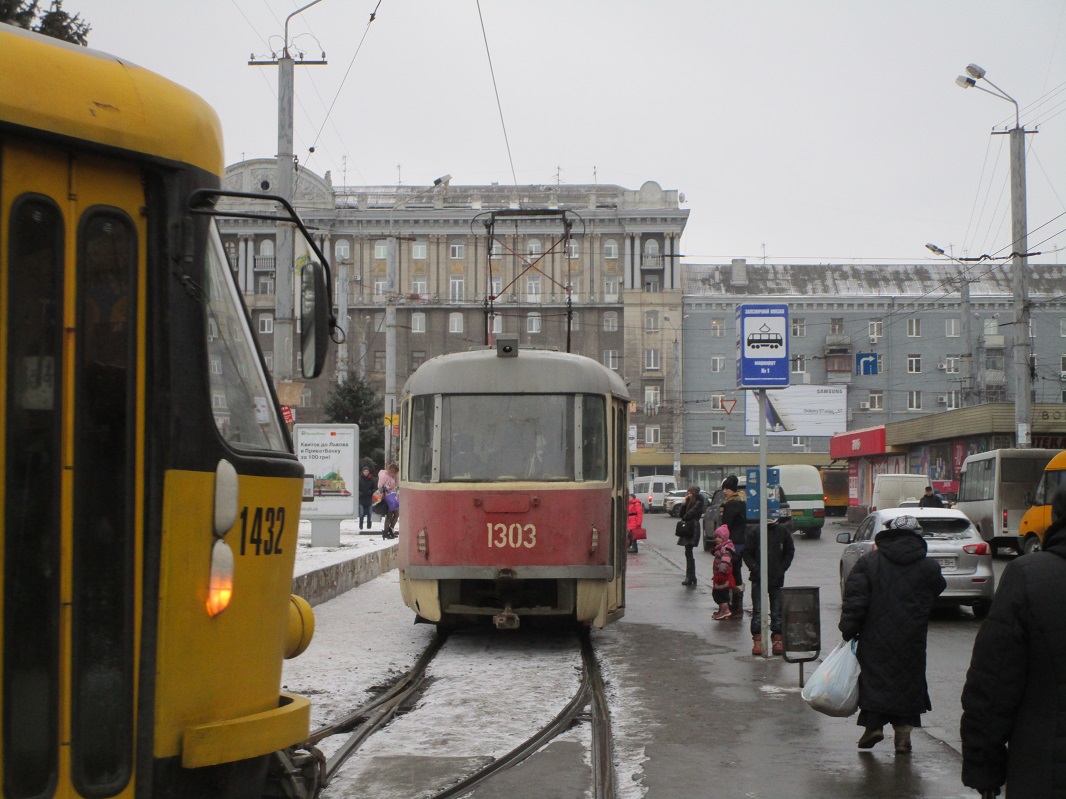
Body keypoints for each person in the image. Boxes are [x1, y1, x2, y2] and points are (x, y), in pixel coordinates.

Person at [960, 487, 1066, 797]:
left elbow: (993, 684)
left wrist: (984, 768)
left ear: (1056, 518)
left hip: (1045, 774)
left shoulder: (1030, 577)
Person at [839, 515, 946, 753]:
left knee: (875, 679)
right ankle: (903, 736)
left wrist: (848, 629)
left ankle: (874, 727)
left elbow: (855, 599)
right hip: (912, 638)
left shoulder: (869, 562)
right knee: (907, 682)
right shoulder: (929, 566)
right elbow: (938, 587)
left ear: (887, 534)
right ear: (918, 537)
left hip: (874, 635)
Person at [743, 507, 795, 655]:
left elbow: (789, 551)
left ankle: (778, 639)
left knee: (777, 610)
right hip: (758, 578)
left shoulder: (782, 532)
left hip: (776, 578)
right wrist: (755, 569)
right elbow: (747, 553)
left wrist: (782, 569)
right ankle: (758, 640)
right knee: (758, 610)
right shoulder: (755, 532)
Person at [720, 475, 747, 615]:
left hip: (733, 541)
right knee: (737, 569)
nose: (725, 491)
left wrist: (721, 539)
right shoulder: (742, 501)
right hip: (742, 540)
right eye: (724, 488)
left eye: (727, 489)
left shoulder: (730, 504)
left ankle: (735, 606)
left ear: (732, 490)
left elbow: (726, 525)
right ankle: (737, 604)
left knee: (732, 571)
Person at [676, 485, 707, 587]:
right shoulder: (689, 502)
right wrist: (684, 503)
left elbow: (687, 515)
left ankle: (690, 576)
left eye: (690, 493)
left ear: (694, 494)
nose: (688, 495)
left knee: (689, 551)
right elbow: (681, 514)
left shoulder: (698, 502)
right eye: (687, 493)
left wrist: (685, 513)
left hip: (692, 528)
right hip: (687, 527)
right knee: (688, 552)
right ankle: (691, 576)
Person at [710, 524, 738, 620]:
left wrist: (721, 571)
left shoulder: (725, 549)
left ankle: (725, 610)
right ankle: (722, 610)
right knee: (720, 593)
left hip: (723, 576)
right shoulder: (721, 547)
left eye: (719, 537)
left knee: (719, 594)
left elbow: (725, 561)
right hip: (720, 575)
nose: (717, 539)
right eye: (716, 537)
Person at [378, 462, 400, 539]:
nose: (395, 475)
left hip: (392, 496)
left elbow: (398, 484)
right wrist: (387, 487)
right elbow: (380, 486)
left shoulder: (393, 477)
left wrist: (396, 477)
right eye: (394, 473)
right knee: (390, 515)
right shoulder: (384, 476)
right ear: (391, 471)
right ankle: (386, 531)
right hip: (387, 498)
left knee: (396, 514)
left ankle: (390, 529)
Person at [358, 465, 376, 531]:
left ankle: (369, 526)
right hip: (361, 499)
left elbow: (374, 488)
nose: (366, 472)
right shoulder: (359, 479)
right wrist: (359, 493)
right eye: (365, 471)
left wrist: (371, 492)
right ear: (362, 472)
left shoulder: (371, 479)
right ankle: (361, 525)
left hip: (369, 499)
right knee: (361, 513)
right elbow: (357, 488)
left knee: (370, 513)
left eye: (367, 471)